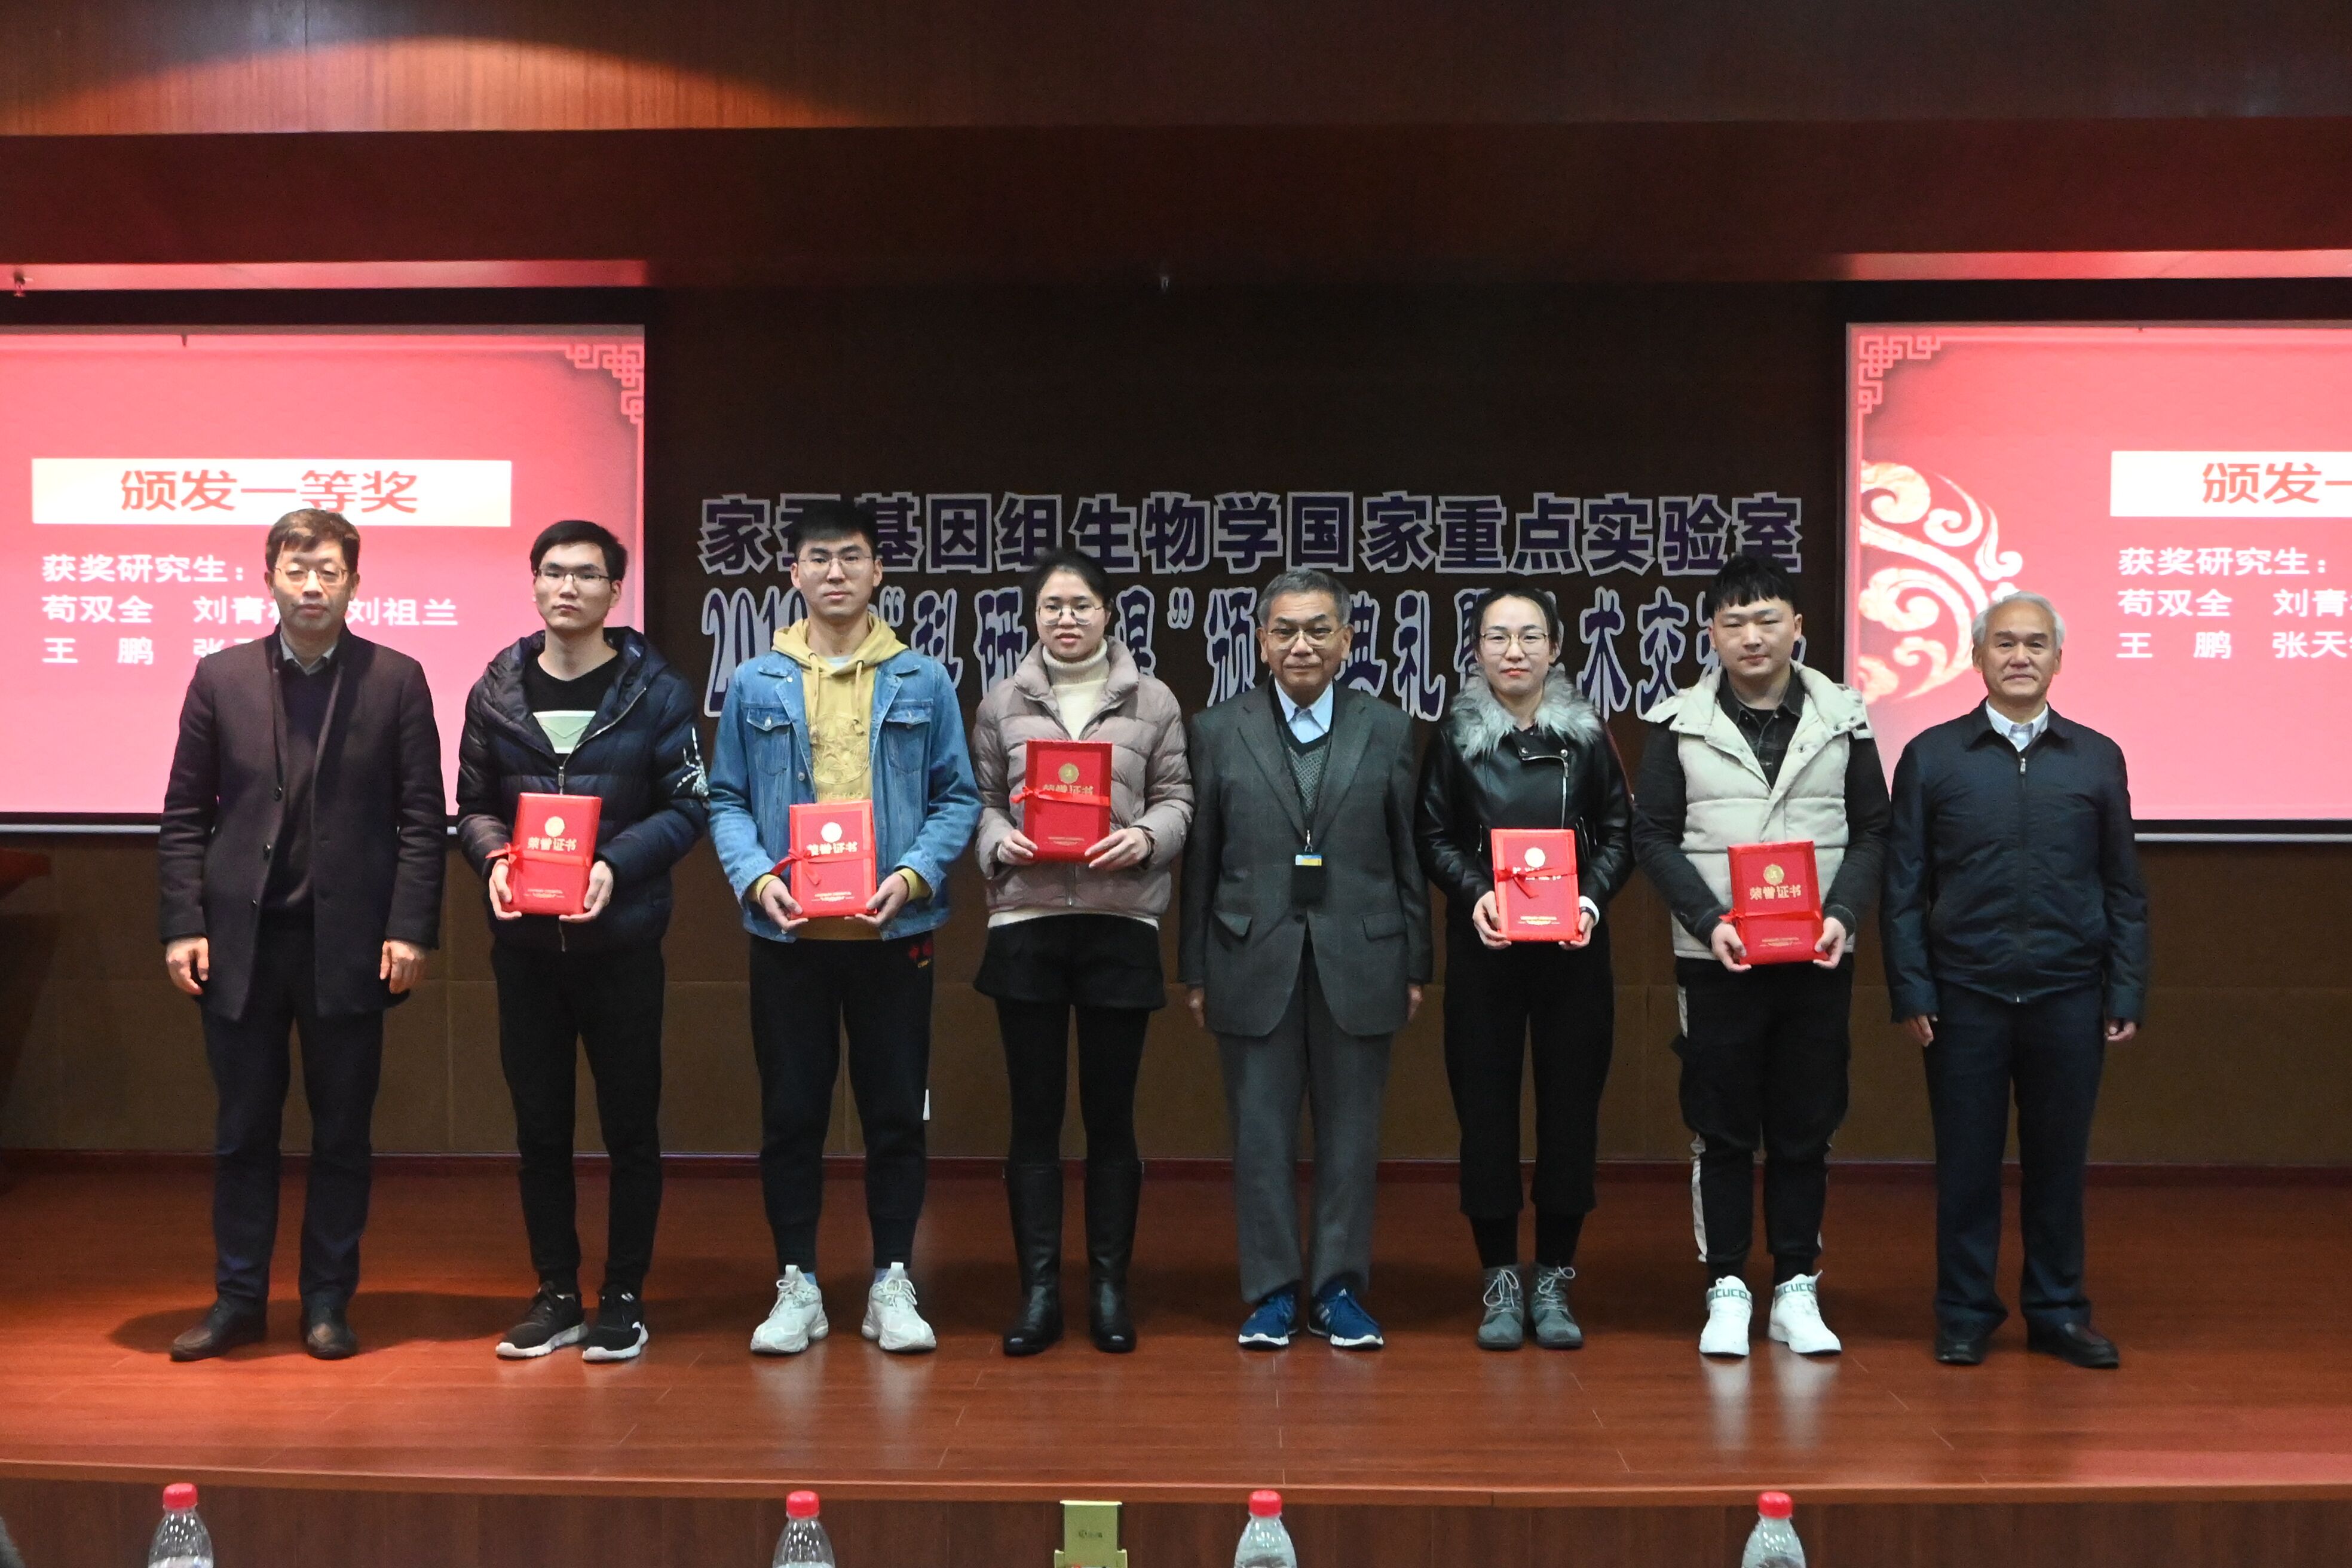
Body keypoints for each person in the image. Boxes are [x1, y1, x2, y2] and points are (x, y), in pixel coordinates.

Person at [158, 509, 445, 1362]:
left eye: (329, 572)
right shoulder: (220, 677)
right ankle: (239, 1299)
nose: (312, 586)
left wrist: (411, 929)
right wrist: (183, 923)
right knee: (243, 1130)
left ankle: (326, 1301)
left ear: (354, 583)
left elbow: (422, 819)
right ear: (269, 579)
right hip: (240, 945)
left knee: (342, 1134)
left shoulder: (397, 679)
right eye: (296, 570)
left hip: (349, 944)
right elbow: (184, 814)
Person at [708, 498, 981, 1356]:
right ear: (793, 573)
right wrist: (757, 878)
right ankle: (797, 1283)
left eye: (852, 557)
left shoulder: (921, 678)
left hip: (893, 936)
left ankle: (891, 1279)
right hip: (789, 939)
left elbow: (958, 797)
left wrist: (914, 873)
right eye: (819, 558)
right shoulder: (756, 681)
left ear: (878, 571)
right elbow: (724, 798)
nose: (836, 572)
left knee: (895, 1114)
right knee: (792, 1115)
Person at [455, 519, 707, 1364]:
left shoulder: (656, 691)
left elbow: (687, 807)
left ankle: (624, 1297)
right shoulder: (495, 689)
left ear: (614, 591)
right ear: (534, 583)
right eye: (554, 572)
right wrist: (493, 855)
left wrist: (613, 866)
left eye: (587, 575)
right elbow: (474, 804)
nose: (568, 587)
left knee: (631, 1128)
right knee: (540, 1129)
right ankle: (556, 1293)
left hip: (623, 944)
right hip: (525, 949)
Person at [1881, 592, 2148, 1370]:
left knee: (2058, 1168)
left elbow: (2124, 887)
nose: (2020, 656)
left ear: (2058, 658)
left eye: (2036, 643)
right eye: (2004, 643)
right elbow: (1902, 889)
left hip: (2069, 993)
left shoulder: (2097, 757)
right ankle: (1966, 1313)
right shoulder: (1932, 756)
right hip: (1964, 995)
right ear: (1978, 657)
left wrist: (2125, 989)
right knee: (1966, 1168)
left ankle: (2058, 1312)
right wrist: (1913, 989)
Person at [1632, 552, 1888, 1359]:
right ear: (1711, 633)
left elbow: (1875, 829)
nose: (1752, 636)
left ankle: (1797, 1287)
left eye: (1768, 619)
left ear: (1797, 627)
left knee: (1807, 1125)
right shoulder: (1677, 724)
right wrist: (1707, 920)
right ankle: (1727, 1287)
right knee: (1722, 1128)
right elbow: (1651, 836)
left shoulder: (1845, 719)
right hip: (1718, 959)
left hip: (1818, 956)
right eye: (1734, 621)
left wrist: (1843, 912)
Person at [1178, 567, 1432, 1352]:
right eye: (1284, 630)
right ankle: (1273, 1292)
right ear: (1260, 642)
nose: (1301, 645)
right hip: (1248, 956)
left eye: (1319, 629)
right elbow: (1201, 860)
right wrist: (1195, 969)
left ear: (1347, 640)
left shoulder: (1388, 728)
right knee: (1260, 1138)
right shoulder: (1217, 729)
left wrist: (1417, 962)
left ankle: (1338, 1289)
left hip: (1364, 954)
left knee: (1352, 1138)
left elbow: (1408, 854)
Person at [969, 549, 1192, 1356]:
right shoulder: (1001, 702)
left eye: (1082, 605)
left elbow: (1178, 798)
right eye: (1053, 607)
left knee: (1111, 1116)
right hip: (1026, 923)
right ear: (1034, 618)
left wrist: (1146, 837)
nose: (1067, 619)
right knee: (1034, 1116)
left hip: (1118, 924)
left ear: (1109, 613)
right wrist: (999, 841)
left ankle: (1107, 1289)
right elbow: (982, 801)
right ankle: (1038, 1294)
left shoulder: (1153, 700)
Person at [1414, 579, 1633, 1350]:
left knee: (1571, 1116)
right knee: (1486, 1118)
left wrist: (1590, 902)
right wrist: (1476, 894)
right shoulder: (1454, 738)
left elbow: (1619, 832)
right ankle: (1500, 1278)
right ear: (1476, 651)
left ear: (1555, 649)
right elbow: (1432, 835)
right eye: (1498, 637)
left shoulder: (1589, 736)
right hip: (1488, 952)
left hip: (1574, 952)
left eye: (1530, 636)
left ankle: (1555, 1278)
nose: (1515, 651)